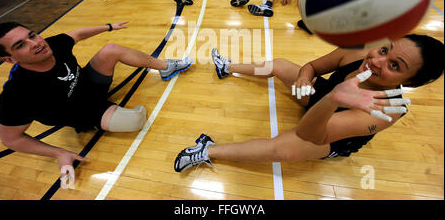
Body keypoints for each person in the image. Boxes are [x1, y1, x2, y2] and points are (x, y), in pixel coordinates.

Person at [174, 34, 444, 172]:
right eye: (385, 50)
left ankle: (209, 151)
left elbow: (310, 133)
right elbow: (313, 66)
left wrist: (332, 98)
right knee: (280, 65)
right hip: (326, 97)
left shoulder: (386, 110)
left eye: (395, 65)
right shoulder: (359, 50)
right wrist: (304, 78)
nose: (376, 60)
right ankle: (228, 67)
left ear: (409, 82)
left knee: (282, 150)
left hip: (330, 134)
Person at [0, 21, 193, 183]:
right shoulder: (16, 95)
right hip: (84, 113)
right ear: (9, 59)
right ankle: (104, 118)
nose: (35, 43)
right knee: (135, 121)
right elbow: (11, 139)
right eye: (20, 45)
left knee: (110, 50)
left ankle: (166, 67)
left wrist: (108, 27)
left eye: (32, 35)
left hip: (89, 83)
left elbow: (77, 33)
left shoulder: (52, 44)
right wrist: (58, 153)